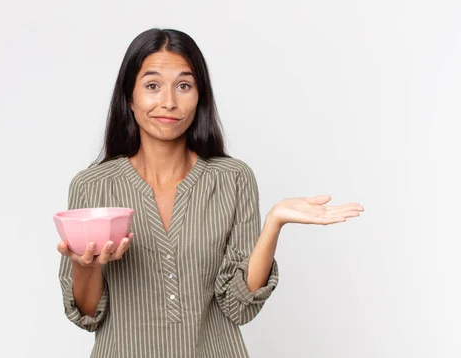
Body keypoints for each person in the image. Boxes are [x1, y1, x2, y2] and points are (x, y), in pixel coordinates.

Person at [57, 28, 364, 358]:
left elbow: (239, 306)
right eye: (152, 86)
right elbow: (88, 315)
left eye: (184, 86)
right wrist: (85, 265)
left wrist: (274, 223)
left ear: (200, 96)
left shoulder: (233, 179)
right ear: (129, 99)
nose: (169, 101)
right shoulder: (92, 186)